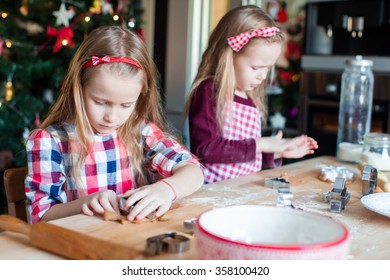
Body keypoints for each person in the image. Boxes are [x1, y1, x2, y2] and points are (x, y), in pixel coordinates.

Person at [25, 25, 204, 224]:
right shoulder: (50, 142)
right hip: (80, 246)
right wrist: (85, 203)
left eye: (126, 105)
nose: (112, 117)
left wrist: (166, 189)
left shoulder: (140, 132)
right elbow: (40, 216)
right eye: (101, 102)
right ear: (79, 88)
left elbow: (193, 171)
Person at [184, 5, 318, 184]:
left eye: (267, 68)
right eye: (256, 68)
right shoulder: (210, 90)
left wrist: (279, 151)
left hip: (242, 190)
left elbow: (244, 159)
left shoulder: (251, 97)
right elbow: (206, 149)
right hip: (214, 192)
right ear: (229, 56)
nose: (263, 76)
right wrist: (262, 144)